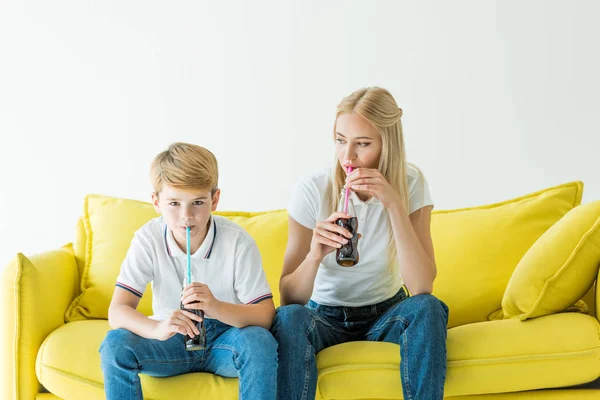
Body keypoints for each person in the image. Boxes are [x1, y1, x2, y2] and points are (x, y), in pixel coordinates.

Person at [272, 87, 449, 400]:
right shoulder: (313, 189)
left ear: (387, 143)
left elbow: (421, 286)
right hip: (323, 317)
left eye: (362, 144)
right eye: (341, 140)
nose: (347, 156)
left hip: (386, 313)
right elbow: (288, 297)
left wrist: (394, 204)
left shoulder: (411, 183)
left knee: (429, 309)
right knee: (288, 319)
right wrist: (314, 255)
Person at [100, 142, 277, 400]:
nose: (186, 216)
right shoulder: (147, 238)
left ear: (214, 200)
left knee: (260, 342)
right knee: (115, 345)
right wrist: (157, 329)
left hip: (225, 340)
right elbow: (117, 312)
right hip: (169, 339)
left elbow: (264, 315)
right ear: (156, 202)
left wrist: (215, 306)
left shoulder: (237, 241)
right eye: (174, 203)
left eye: (197, 202)